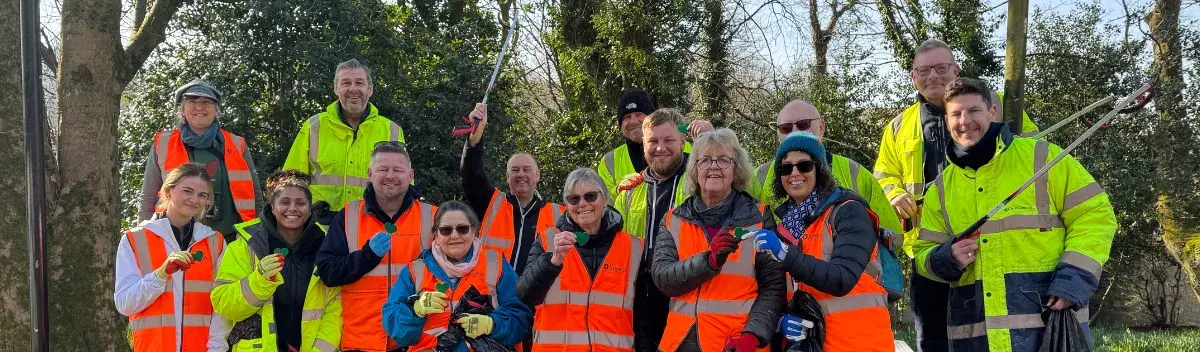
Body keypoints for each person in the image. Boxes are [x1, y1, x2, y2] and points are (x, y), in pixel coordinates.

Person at [910, 78, 1115, 352]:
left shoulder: (1043, 158)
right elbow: (923, 256)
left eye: (974, 111)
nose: (964, 121)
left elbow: (1096, 216)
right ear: (947, 121)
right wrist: (945, 257)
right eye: (956, 114)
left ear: (992, 112)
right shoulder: (940, 190)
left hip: (1049, 331)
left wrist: (1073, 281)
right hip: (974, 338)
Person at [872, 39, 1039, 352]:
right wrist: (893, 194)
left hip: (992, 244)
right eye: (924, 70)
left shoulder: (1000, 105)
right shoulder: (897, 126)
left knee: (993, 338)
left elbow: (1034, 157)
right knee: (933, 338)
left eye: (941, 67)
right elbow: (883, 174)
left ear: (956, 70)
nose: (932, 75)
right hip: (929, 248)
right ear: (913, 76)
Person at [750, 131, 894, 352]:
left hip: (860, 344)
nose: (794, 173)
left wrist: (785, 254)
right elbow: (778, 291)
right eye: (786, 168)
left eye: (804, 165)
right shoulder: (785, 227)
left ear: (820, 169)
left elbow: (842, 279)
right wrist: (780, 320)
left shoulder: (850, 212)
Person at [650, 128, 786, 352]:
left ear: (736, 169)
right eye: (705, 160)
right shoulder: (673, 219)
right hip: (679, 343)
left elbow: (773, 288)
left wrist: (753, 336)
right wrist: (709, 262)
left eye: (723, 160)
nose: (714, 166)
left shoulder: (760, 217)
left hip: (735, 344)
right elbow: (663, 277)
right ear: (695, 170)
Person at [316, 142, 437, 352]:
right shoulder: (348, 215)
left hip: (418, 340)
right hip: (362, 341)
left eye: (397, 170)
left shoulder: (434, 217)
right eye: (383, 169)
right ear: (370, 174)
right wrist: (366, 256)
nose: (390, 175)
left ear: (410, 175)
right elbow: (328, 273)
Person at [611, 108, 712, 351]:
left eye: (668, 140)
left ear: (683, 141)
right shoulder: (629, 190)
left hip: (688, 295)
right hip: (640, 301)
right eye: (653, 141)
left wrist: (711, 141)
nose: (660, 148)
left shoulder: (701, 181)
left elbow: (744, 187)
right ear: (643, 144)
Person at [211, 170, 342, 351]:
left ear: (309, 208)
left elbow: (336, 309)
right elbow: (224, 305)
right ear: (272, 207)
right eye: (285, 202)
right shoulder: (245, 246)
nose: (292, 208)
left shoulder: (327, 247)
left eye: (301, 203)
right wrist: (260, 281)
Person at [517, 168, 644, 351]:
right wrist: (552, 262)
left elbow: (643, 318)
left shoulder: (634, 248)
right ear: (567, 205)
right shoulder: (547, 241)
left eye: (590, 196)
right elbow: (524, 295)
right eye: (574, 199)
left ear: (605, 199)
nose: (582, 204)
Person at [383, 201, 532, 351]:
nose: (454, 236)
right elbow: (398, 332)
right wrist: (415, 309)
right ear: (436, 235)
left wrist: (491, 324)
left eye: (462, 229)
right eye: (446, 230)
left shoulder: (496, 264)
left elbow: (521, 317)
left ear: (474, 231)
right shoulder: (415, 270)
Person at [115, 163, 231, 352]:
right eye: (188, 191)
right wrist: (159, 275)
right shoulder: (134, 239)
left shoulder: (214, 242)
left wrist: (216, 348)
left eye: (202, 195)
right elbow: (125, 304)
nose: (195, 199)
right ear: (168, 191)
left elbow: (221, 305)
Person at [747, 100, 901, 237]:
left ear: (821, 127)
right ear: (778, 134)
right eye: (786, 128)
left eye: (803, 124)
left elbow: (891, 236)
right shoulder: (757, 177)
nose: (795, 132)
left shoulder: (856, 173)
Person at [284, 59, 407, 225]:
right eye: (346, 83)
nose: (353, 89)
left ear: (370, 89)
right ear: (336, 88)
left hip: (371, 228)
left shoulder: (391, 130)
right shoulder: (313, 127)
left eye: (359, 83)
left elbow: (404, 186)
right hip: (318, 230)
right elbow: (290, 181)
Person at [139, 79, 263, 242]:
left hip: (230, 240)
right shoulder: (163, 143)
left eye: (206, 102)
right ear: (182, 110)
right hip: (175, 240)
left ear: (216, 110)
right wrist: (142, 237)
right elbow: (148, 195)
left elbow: (255, 196)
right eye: (192, 102)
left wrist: (258, 237)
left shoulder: (236, 143)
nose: (199, 107)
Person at [460, 102, 565, 274]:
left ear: (537, 175)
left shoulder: (558, 213)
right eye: (515, 170)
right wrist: (476, 135)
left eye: (527, 169)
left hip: (536, 298)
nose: (521, 174)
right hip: (492, 297)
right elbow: (471, 175)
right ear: (507, 177)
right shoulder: (492, 203)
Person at [596, 88, 704, 196]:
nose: (633, 121)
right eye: (627, 117)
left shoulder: (684, 147)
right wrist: (618, 190)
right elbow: (600, 201)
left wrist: (709, 137)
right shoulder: (608, 161)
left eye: (639, 114)